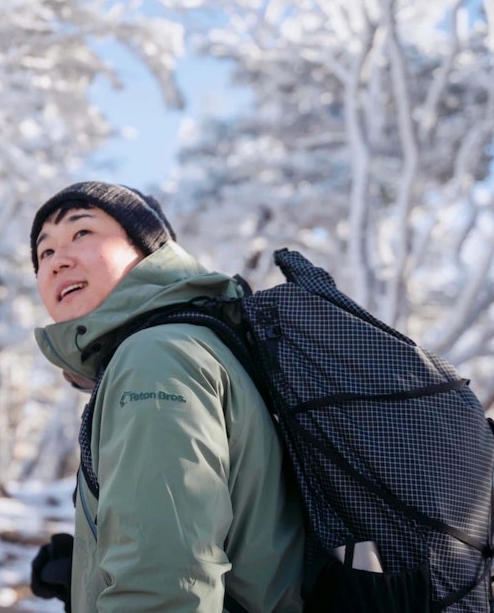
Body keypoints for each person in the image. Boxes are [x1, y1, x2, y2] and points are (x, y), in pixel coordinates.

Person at [28, 182, 305, 612]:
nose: (58, 261)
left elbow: (165, 591)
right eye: (44, 254)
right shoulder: (190, 342)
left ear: (149, 250)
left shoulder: (154, 358)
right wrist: (90, 575)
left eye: (82, 233)